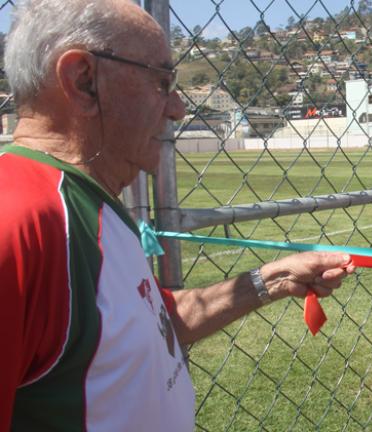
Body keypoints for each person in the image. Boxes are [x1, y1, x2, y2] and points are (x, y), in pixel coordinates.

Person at [0, 0, 353, 430]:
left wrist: (273, 280)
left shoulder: (91, 202)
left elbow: (150, 321)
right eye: (162, 82)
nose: (178, 109)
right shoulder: (20, 221)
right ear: (84, 81)